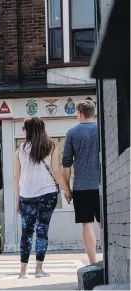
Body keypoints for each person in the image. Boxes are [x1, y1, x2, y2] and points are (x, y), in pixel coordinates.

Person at [14, 116, 71, 279]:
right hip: (47, 194)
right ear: (42, 129)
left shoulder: (20, 149)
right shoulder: (50, 146)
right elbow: (57, 172)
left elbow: (16, 177)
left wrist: (18, 198)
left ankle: (22, 271)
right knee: (42, 230)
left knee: (26, 232)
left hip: (26, 195)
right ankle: (39, 270)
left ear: (28, 131)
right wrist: (67, 190)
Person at [62, 100, 100, 265]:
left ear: (80, 113)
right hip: (102, 185)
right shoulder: (102, 129)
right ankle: (109, 259)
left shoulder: (72, 133)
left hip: (82, 186)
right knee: (104, 222)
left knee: (87, 224)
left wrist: (67, 189)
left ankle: (92, 263)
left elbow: (66, 164)